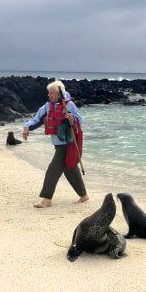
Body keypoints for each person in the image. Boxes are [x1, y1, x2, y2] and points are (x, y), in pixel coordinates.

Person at [22, 80, 89, 208]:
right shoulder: (48, 106)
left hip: (67, 143)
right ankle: (83, 195)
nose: (49, 95)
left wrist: (72, 118)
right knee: (69, 168)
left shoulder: (69, 105)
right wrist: (26, 127)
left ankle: (47, 199)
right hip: (57, 143)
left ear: (59, 94)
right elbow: (37, 119)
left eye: (52, 93)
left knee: (53, 170)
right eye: (49, 93)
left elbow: (80, 120)